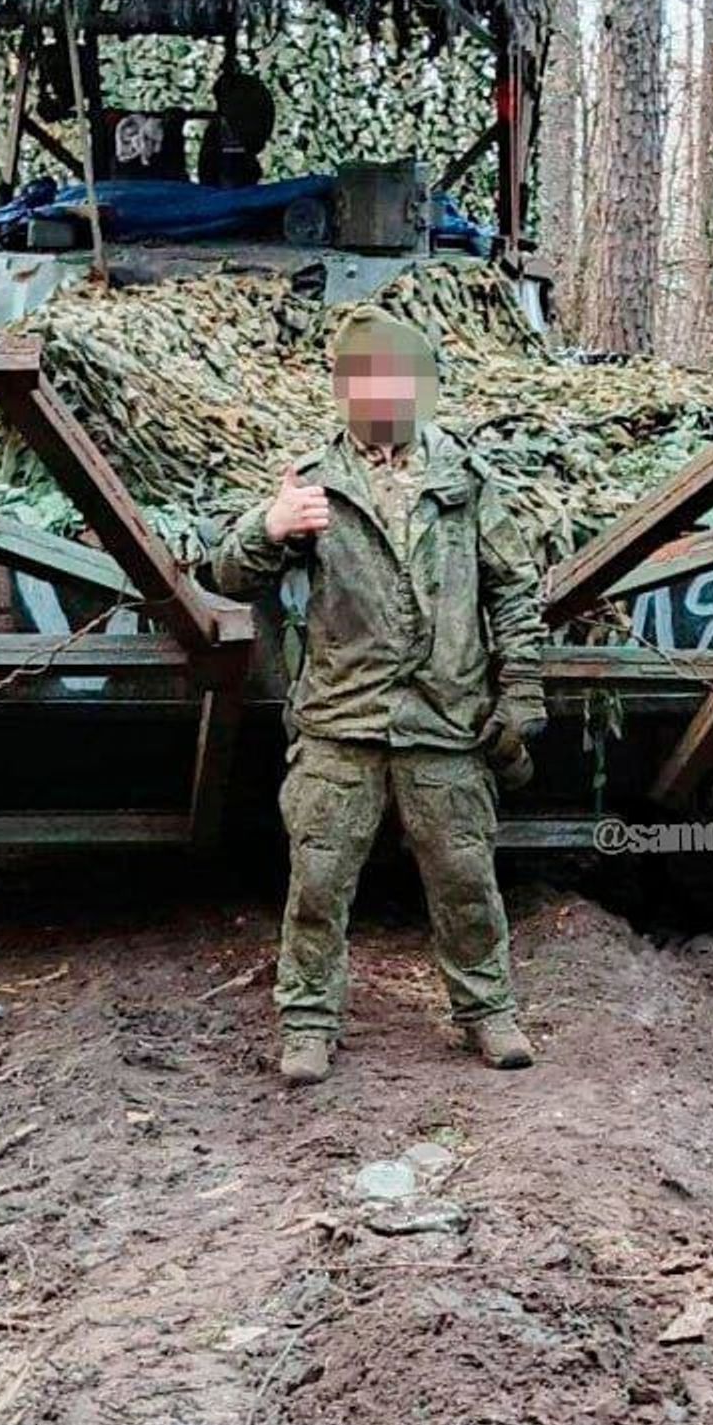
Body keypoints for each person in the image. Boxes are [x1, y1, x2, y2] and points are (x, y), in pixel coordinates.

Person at [213, 306, 549, 1085]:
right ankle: (307, 1022)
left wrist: (521, 689)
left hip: (444, 719)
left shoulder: (462, 480)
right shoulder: (313, 482)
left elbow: (513, 588)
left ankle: (487, 1011)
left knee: (466, 875)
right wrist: (271, 525)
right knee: (319, 882)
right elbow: (229, 576)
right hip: (341, 722)